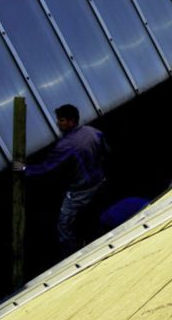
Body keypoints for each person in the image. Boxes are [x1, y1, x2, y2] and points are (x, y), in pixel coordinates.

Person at [19, 104, 110, 248]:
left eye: (61, 120)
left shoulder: (66, 145)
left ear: (71, 121)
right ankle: (98, 238)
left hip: (80, 191)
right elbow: (106, 153)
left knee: (64, 225)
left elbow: (45, 168)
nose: (58, 123)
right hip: (99, 181)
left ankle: (72, 256)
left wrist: (23, 168)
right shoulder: (94, 132)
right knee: (95, 214)